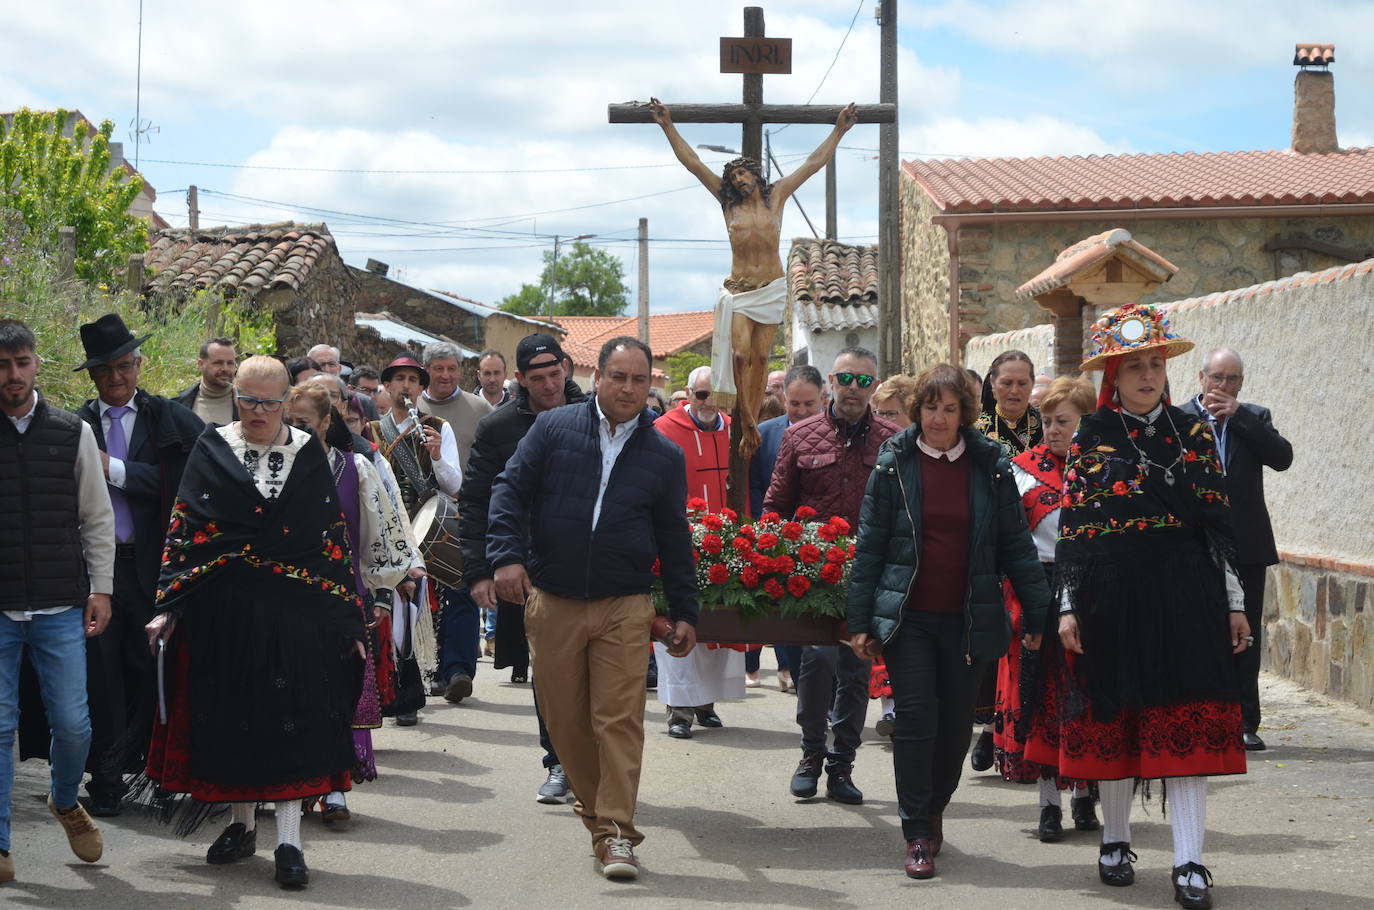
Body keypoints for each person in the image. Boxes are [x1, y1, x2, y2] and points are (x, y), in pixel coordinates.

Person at [1024, 303, 1250, 909]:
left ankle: (1191, 862)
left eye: (1155, 363)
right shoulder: (1092, 438)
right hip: (1107, 600)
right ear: (1113, 378)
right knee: (1114, 720)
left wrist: (1234, 601)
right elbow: (1073, 533)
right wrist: (1067, 607)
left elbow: (1217, 525)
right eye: (1134, 366)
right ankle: (1116, 842)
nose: (1147, 375)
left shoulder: (1195, 432)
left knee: (1185, 722)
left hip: (1186, 596)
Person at [143, 355, 367, 889]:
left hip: (297, 617)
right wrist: (168, 606)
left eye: (270, 401)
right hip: (223, 614)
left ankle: (289, 842)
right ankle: (242, 827)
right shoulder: (212, 445)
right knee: (231, 721)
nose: (258, 411)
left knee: (291, 721)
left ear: (287, 400)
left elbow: (328, 542)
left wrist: (347, 620)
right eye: (248, 399)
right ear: (234, 396)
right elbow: (186, 530)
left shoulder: (308, 452)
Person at [488, 336, 699, 880]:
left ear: (650, 384)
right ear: (597, 377)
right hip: (553, 600)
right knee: (565, 723)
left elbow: (675, 538)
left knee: (619, 721)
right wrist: (506, 557)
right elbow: (508, 490)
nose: (628, 388)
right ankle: (596, 811)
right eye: (618, 377)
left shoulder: (664, 455)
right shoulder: (553, 430)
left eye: (639, 379)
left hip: (624, 605)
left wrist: (685, 612)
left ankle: (616, 834)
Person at [847, 362, 1051, 880]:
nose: (939, 418)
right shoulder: (894, 462)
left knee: (957, 725)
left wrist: (1036, 610)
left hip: (968, 618)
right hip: (909, 617)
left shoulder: (990, 464)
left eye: (950, 408)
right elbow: (870, 546)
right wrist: (860, 620)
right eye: (931, 407)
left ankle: (935, 805)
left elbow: (1015, 544)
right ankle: (916, 829)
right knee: (916, 718)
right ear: (917, 409)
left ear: (965, 412)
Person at [47, 315, 201, 818]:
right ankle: (106, 776)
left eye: (125, 366)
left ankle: (151, 766)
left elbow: (182, 484)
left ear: (139, 365)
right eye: (106, 370)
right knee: (101, 673)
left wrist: (108, 466)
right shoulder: (73, 425)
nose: (117, 379)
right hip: (95, 572)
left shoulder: (168, 419)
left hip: (153, 567)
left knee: (151, 667)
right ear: (92, 376)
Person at [650, 97, 856, 459]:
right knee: (741, 353)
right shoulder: (727, 203)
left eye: (742, 173)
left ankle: (748, 415)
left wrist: (838, 131)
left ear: (754, 173)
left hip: (773, 288)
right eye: (732, 176)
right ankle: (745, 417)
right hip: (741, 290)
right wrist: (668, 126)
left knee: (762, 358)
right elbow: (694, 164)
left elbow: (811, 164)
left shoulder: (776, 197)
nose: (737, 179)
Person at [0, 318, 114, 884]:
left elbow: (97, 517)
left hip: (60, 606)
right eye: (3, 365)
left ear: (37, 363)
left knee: (73, 726)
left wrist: (102, 589)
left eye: (21, 362)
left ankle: (65, 799)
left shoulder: (73, 431)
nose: (13, 375)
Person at [764, 347, 899, 806]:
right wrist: (774, 558)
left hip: (869, 573)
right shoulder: (801, 436)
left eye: (864, 381)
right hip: (813, 574)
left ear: (875, 386)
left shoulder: (892, 439)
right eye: (846, 379)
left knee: (856, 668)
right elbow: (776, 505)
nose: (854, 389)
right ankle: (810, 754)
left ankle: (843, 765)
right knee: (818, 661)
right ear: (831, 383)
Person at [460, 333, 586, 803]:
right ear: (520, 379)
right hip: (531, 569)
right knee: (550, 671)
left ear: (567, 368)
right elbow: (476, 502)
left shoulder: (595, 416)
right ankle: (557, 762)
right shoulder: (499, 428)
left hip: (596, 563)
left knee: (594, 673)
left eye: (556, 374)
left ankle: (591, 762)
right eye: (539, 378)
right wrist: (478, 570)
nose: (550, 385)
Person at [285, 384, 413, 824]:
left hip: (345, 598)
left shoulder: (356, 469)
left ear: (325, 423)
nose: (295, 430)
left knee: (339, 693)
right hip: (288, 599)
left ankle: (336, 788)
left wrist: (380, 591)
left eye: (304, 423)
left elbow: (379, 532)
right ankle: (294, 784)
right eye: (290, 422)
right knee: (295, 695)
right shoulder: (273, 467)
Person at [993, 376, 1100, 842]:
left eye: (1064, 422)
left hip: (1096, 593)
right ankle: (1049, 804)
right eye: (1048, 421)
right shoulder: (1019, 469)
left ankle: (1087, 797)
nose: (1053, 430)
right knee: (1042, 699)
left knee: (1091, 697)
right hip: (1037, 590)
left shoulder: (1104, 470)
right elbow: (1005, 538)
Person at [1180, 348, 1292, 752]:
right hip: (1195, 544)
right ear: (1201, 377)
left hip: (1246, 545)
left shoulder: (1254, 417)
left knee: (1245, 634)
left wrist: (1239, 416)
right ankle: (1199, 715)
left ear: (1240, 383)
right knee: (1197, 630)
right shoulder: (1180, 419)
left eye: (1231, 380)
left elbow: (1282, 459)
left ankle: (1245, 721)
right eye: (1216, 378)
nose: (1222, 387)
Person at [653, 365, 745, 738]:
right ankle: (679, 708)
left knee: (717, 625)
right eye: (701, 395)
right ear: (688, 394)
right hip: (680, 541)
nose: (709, 403)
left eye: (715, 396)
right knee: (679, 620)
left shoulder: (735, 431)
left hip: (724, 539)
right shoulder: (664, 431)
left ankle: (706, 702)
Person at [371, 354, 460, 722]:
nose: (406, 386)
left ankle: (408, 695)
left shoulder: (439, 426)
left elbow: (455, 484)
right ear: (387, 386)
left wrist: (437, 455)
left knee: (412, 614)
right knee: (386, 614)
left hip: (420, 534)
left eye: (413, 380)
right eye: (399, 379)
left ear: (422, 388)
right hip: (384, 531)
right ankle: (385, 692)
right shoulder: (373, 431)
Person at [969, 349, 1044, 771]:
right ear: (992, 384)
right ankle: (989, 726)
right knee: (995, 643)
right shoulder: (976, 432)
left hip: (1040, 548)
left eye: (1022, 383)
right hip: (991, 547)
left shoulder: (1046, 427)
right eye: (1006, 382)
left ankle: (1011, 733)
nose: (1014, 391)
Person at [416, 342, 494, 698]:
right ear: (427, 370)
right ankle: (429, 667)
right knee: (425, 596)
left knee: (461, 591)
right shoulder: (413, 406)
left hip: (467, 513)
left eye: (451, 368)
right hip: (418, 514)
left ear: (461, 370)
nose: (446, 375)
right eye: (438, 368)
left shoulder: (480, 409)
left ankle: (459, 670)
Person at [749, 363, 825, 692]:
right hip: (779, 541)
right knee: (788, 620)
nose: (802, 411)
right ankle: (793, 676)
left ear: (823, 397)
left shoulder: (837, 434)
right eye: (795, 404)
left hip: (825, 542)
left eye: (809, 404)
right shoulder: (765, 435)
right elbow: (756, 487)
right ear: (784, 398)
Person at [863, 374, 917, 737]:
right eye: (877, 412)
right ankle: (891, 710)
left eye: (891, 412)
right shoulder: (881, 452)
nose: (882, 419)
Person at [173, 336, 238, 425]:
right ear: (201, 364)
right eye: (218, 363)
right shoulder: (179, 405)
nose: (225, 369)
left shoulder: (247, 404)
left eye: (230, 363)